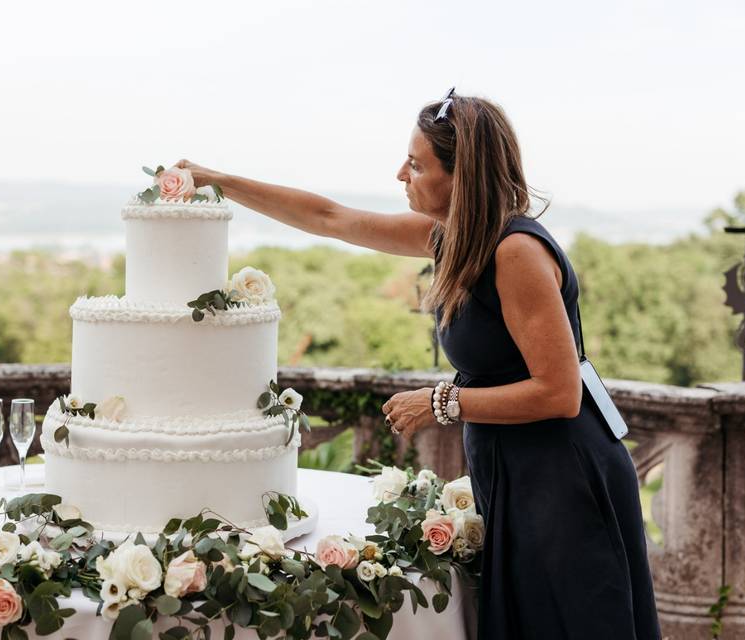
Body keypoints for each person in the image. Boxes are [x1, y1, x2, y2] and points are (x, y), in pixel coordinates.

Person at [173, 87, 661, 639]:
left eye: (416, 163)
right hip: (515, 471)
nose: (400, 174)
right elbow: (330, 217)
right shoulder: (452, 238)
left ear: (463, 175)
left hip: (560, 478)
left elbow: (559, 392)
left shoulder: (515, 252)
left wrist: (440, 402)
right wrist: (222, 181)